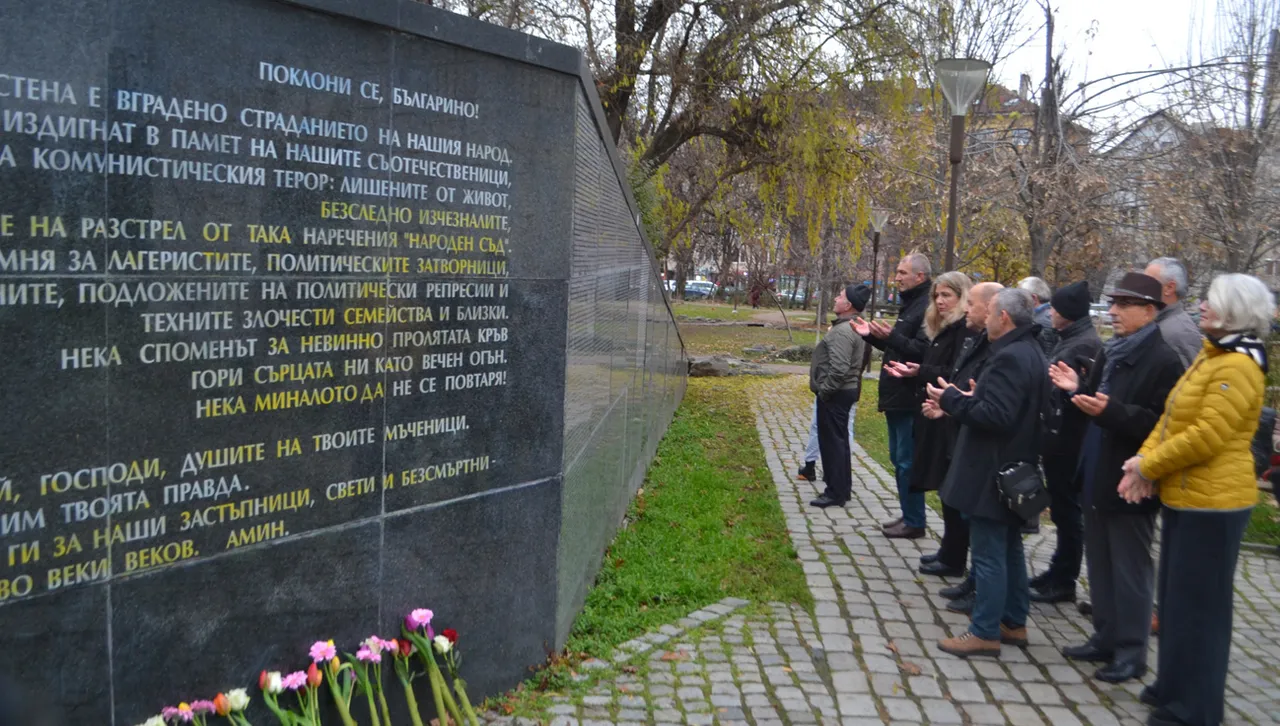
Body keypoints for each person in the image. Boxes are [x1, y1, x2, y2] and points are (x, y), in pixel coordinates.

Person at [1119, 273, 1273, 726]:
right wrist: (1142, 461)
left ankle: (1196, 708)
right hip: (1188, 497)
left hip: (1216, 504)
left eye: (1213, 301)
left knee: (1200, 610)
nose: (1201, 305)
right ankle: (1173, 685)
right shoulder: (1214, 355)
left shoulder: (1238, 365)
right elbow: (1171, 419)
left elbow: (1207, 436)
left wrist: (1150, 467)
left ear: (1236, 312)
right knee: (1176, 600)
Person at [1050, 273, 1184, 685]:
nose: (1112, 312)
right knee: (1101, 563)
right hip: (1095, 470)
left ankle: (1132, 651)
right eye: (1113, 304)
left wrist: (1108, 411)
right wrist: (1077, 389)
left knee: (1131, 570)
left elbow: (1160, 423)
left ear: (1149, 310)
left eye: (1123, 305)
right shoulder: (1114, 349)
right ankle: (1104, 637)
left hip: (1132, 479)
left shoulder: (1164, 360)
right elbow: (1096, 399)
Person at [930, 288, 1048, 658]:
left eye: (991, 312)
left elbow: (995, 416)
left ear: (1004, 318)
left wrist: (950, 399)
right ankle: (1013, 621)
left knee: (990, 553)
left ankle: (984, 631)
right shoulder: (1030, 351)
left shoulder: (1010, 356)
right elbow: (1011, 407)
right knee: (1010, 548)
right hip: (1013, 467)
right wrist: (976, 398)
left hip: (992, 471)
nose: (985, 318)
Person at [883, 272, 973, 575]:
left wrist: (920, 371)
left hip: (947, 411)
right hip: (934, 407)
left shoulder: (963, 329)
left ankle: (953, 555)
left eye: (947, 295)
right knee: (944, 487)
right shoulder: (944, 326)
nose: (940, 301)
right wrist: (918, 371)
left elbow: (951, 370)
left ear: (963, 297)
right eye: (937, 296)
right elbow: (938, 365)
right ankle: (949, 551)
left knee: (950, 487)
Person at [927, 282, 1003, 614]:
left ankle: (987, 604)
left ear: (993, 309)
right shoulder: (982, 340)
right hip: (960, 430)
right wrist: (950, 404)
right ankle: (969, 576)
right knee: (960, 508)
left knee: (990, 539)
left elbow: (996, 408)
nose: (966, 309)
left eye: (971, 302)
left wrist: (953, 401)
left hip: (986, 451)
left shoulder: (1006, 351)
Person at [1030, 281, 1102, 604]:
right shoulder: (1071, 339)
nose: (1051, 314)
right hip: (1059, 439)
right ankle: (1058, 570)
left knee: (1068, 512)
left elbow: (1079, 394)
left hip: (1070, 443)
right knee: (1061, 510)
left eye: (1056, 310)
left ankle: (1065, 579)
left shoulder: (1082, 345)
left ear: (1069, 315)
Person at [855, 253, 931, 538]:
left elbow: (922, 351)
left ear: (919, 277)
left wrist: (889, 338)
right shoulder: (911, 305)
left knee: (906, 461)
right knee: (897, 458)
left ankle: (915, 521)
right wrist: (871, 336)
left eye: (902, 272)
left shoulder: (926, 307)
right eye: (897, 272)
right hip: (897, 396)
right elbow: (900, 346)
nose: (896, 277)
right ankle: (908, 514)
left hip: (909, 396)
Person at [809, 284, 870, 508]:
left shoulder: (844, 331)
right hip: (843, 391)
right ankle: (841, 489)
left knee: (832, 443)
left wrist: (825, 390)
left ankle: (834, 492)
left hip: (837, 393)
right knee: (839, 441)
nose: (835, 298)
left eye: (840, 296)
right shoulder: (850, 327)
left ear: (848, 305)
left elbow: (839, 368)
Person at [1144, 257, 1203, 367]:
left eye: (1148, 281)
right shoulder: (1154, 322)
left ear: (1169, 288)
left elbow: (1190, 379)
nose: (1142, 287)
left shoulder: (1182, 333)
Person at [1018, 276, 1057, 354]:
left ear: (1033, 298)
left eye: (1020, 297)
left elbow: (1046, 355)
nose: (1017, 301)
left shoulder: (1042, 322)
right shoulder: (1046, 316)